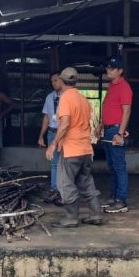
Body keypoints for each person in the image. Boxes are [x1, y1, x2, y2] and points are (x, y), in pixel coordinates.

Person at [45, 67, 103, 228]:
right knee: (86, 182)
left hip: (71, 149)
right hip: (86, 149)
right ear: (76, 81)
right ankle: (96, 214)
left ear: (62, 80)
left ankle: (71, 217)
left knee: (65, 183)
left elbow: (64, 124)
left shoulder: (65, 98)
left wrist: (53, 144)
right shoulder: (83, 99)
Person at [99, 55, 132, 213]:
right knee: (112, 166)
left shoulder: (124, 87)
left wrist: (120, 133)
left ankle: (121, 200)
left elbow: (126, 111)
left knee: (119, 166)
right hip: (108, 128)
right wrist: (100, 125)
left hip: (115, 130)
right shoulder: (112, 86)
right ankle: (114, 196)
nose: (108, 71)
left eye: (111, 69)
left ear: (120, 71)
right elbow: (107, 106)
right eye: (107, 68)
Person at [37, 71, 64, 204]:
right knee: (54, 164)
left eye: (57, 80)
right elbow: (47, 117)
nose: (54, 83)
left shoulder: (67, 96)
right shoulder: (49, 97)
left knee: (64, 164)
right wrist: (41, 136)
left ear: (62, 80)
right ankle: (54, 191)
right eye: (52, 81)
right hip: (52, 132)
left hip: (64, 134)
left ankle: (63, 192)